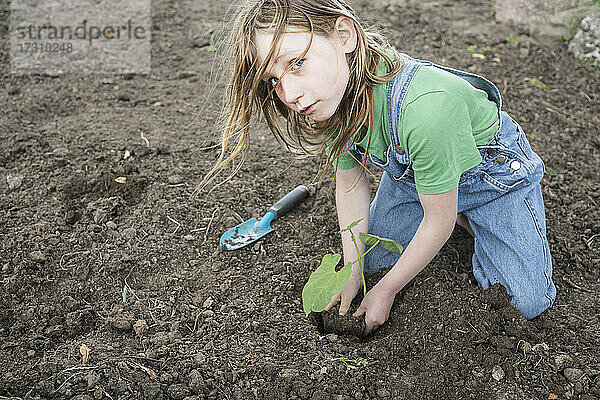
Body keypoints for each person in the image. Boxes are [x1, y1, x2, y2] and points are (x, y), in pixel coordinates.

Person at [198, 0, 556, 335]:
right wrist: (352, 268)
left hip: (494, 177)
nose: (289, 94)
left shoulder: (427, 111)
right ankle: (454, 208)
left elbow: (437, 222)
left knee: (523, 301)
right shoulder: (330, 100)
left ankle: (478, 216)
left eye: (297, 63)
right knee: (373, 265)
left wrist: (386, 290)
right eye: (274, 80)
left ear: (344, 35)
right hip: (416, 178)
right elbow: (350, 184)